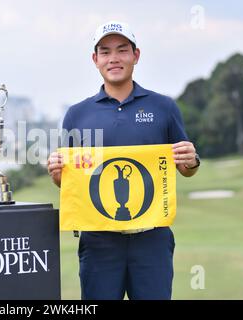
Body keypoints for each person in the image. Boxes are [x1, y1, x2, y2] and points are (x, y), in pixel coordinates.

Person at [47, 21, 200, 300]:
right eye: (105, 52)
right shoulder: (76, 115)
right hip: (99, 240)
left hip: (152, 238)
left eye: (122, 50)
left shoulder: (163, 107)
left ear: (136, 55)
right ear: (95, 60)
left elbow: (185, 168)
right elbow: (70, 183)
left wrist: (191, 160)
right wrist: (58, 174)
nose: (114, 58)